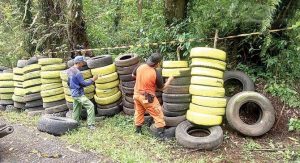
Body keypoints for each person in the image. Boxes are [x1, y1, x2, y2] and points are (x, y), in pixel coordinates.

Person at [132, 53, 173, 140]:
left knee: (139, 112)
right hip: (147, 97)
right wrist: (170, 79)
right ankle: (161, 135)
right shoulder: (155, 73)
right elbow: (162, 88)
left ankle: (138, 131)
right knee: (158, 114)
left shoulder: (140, 66)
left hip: (136, 95)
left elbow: (133, 75)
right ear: (158, 63)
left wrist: (142, 79)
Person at [66, 56, 98, 130]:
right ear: (79, 62)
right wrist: (93, 79)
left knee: (76, 109)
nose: (84, 63)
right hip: (78, 93)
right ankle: (91, 125)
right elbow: (83, 84)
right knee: (90, 106)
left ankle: (74, 124)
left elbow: (68, 82)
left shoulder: (69, 70)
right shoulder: (78, 72)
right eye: (83, 62)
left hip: (73, 93)